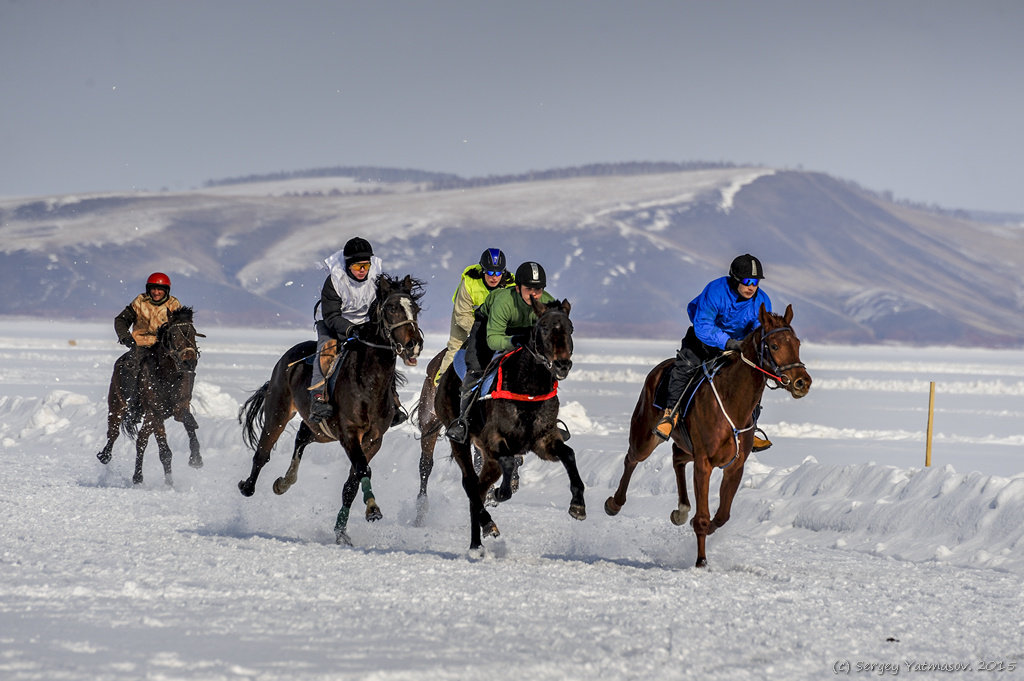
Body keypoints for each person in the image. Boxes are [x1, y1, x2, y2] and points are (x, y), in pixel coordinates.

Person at [653, 253, 773, 450]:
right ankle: (670, 414)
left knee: (753, 376)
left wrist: (746, 346)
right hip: (704, 339)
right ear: (735, 279)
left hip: (739, 345)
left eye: (756, 282)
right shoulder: (716, 291)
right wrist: (728, 342)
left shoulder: (762, 300)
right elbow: (703, 325)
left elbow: (759, 330)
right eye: (747, 281)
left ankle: (751, 427)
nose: (752, 286)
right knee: (686, 366)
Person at [445, 261, 555, 444]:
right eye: (529, 289)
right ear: (518, 288)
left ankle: (549, 423)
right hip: (487, 329)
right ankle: (463, 421)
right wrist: (514, 341)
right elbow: (493, 340)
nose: (535, 294)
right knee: (477, 369)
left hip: (523, 334)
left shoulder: (548, 303)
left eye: (539, 289)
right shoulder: (504, 301)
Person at [309, 236, 406, 426]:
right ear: (347, 266)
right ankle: (318, 397)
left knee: (384, 354)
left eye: (365, 266)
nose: (362, 271)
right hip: (334, 324)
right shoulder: (335, 281)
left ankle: (392, 400)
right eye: (357, 267)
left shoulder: (377, 279)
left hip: (365, 325)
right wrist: (350, 329)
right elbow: (331, 316)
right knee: (326, 349)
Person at [435, 248, 515, 385]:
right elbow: (462, 314)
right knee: (455, 347)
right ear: (483, 270)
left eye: (498, 273)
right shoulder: (469, 282)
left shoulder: (511, 286)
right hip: (465, 317)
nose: (494, 277)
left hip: (495, 322)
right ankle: (441, 383)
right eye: (490, 272)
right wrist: (482, 332)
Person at [113, 272, 183, 403]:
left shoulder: (174, 304)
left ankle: (181, 402)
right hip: (141, 345)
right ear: (148, 289)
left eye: (160, 289)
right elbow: (121, 320)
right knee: (130, 366)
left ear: (166, 291)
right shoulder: (139, 301)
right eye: (153, 289)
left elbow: (180, 327)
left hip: (164, 347)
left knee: (183, 367)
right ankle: (130, 402)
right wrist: (125, 337)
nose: (156, 292)